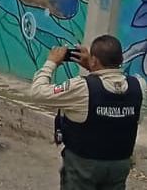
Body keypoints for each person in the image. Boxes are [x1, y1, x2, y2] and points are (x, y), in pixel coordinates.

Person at [29, 35, 146, 190]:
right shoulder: (139, 86)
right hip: (119, 164)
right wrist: (92, 68)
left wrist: (51, 62)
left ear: (95, 60)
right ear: (120, 59)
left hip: (83, 165)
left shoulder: (82, 88)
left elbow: (38, 93)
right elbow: (113, 94)